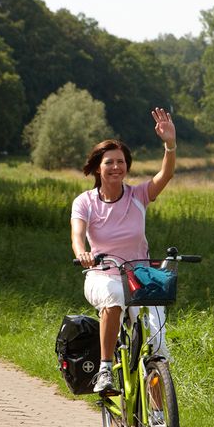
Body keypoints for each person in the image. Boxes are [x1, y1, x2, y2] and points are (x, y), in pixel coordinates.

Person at [71, 108, 177, 393]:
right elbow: (77, 235)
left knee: (157, 347)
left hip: (140, 275)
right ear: (97, 168)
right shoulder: (85, 202)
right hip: (101, 274)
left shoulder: (138, 195)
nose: (116, 167)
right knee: (115, 298)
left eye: (121, 162)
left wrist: (170, 144)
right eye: (109, 162)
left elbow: (166, 174)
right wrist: (82, 252)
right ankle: (105, 369)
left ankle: (157, 420)